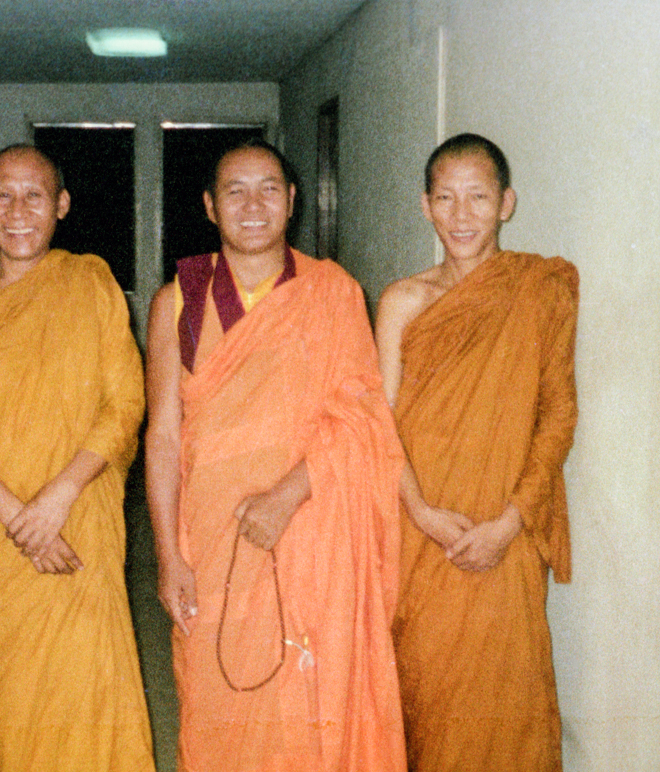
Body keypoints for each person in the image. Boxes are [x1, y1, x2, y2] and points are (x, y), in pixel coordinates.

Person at [145, 140, 407, 772]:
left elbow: (363, 418)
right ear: (210, 205)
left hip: (311, 525)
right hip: (213, 535)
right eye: (235, 190)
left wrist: (285, 496)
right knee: (219, 693)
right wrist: (166, 555)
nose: (253, 204)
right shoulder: (178, 300)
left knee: (311, 694)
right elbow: (163, 435)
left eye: (269, 188)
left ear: (293, 201)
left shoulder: (333, 291)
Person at [0, 145, 154, 772]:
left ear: (62, 206)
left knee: (82, 688)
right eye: (3, 194)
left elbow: (125, 402)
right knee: (7, 695)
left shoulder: (91, 280)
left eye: (35, 196)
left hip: (77, 515)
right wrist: (18, 519)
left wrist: (56, 499)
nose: (18, 210)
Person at [374, 133, 578, 772]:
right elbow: (378, 425)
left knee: (508, 712)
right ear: (425, 206)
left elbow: (557, 415)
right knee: (432, 705)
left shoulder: (539, 289)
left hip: (505, 534)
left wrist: (512, 521)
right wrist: (422, 514)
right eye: (446, 199)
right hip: (422, 534)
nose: (461, 216)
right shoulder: (402, 301)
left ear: (506, 203)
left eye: (478, 198)